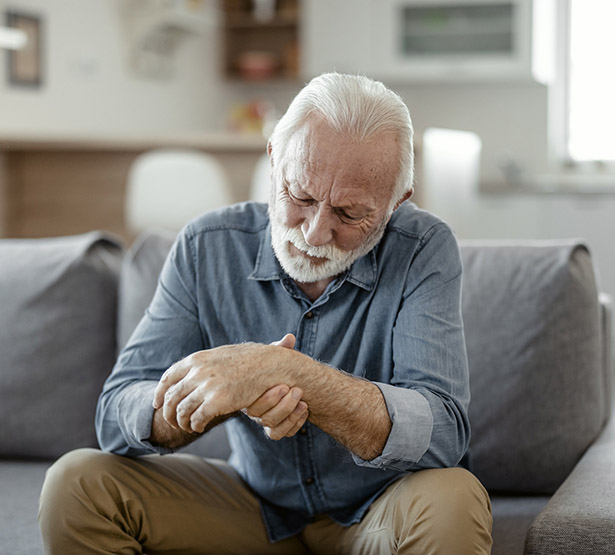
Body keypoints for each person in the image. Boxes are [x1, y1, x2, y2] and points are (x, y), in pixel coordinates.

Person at [39, 73, 492, 554]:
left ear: (395, 204)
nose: (316, 233)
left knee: (454, 499)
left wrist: (292, 374)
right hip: (251, 508)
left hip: (379, 511)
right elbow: (115, 415)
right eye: (300, 196)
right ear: (274, 159)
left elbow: (444, 432)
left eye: (349, 214)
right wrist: (219, 389)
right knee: (76, 483)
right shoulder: (205, 246)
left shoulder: (423, 248)